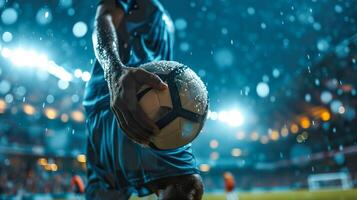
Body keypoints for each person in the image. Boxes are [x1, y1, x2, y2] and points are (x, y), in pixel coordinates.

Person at [82, 0, 203, 199]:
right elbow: (104, 17)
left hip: (109, 103)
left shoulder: (161, 16)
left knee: (107, 191)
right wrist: (114, 71)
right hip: (130, 99)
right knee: (185, 185)